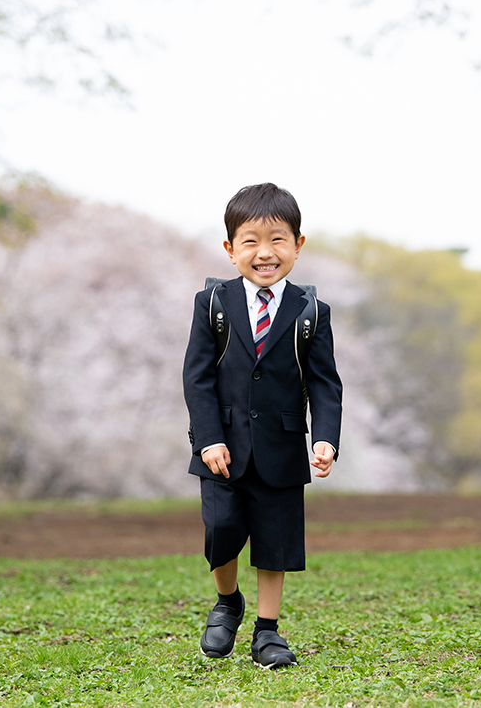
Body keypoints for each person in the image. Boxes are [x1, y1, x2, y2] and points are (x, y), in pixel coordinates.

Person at [183, 182, 343, 669]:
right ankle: (228, 601)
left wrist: (325, 440)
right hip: (222, 446)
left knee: (276, 541)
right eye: (250, 241)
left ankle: (267, 632)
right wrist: (208, 437)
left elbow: (325, 384)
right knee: (221, 529)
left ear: (298, 246)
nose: (265, 252)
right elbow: (197, 377)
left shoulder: (311, 312)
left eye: (277, 239)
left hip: (283, 447)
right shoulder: (212, 304)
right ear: (230, 250)